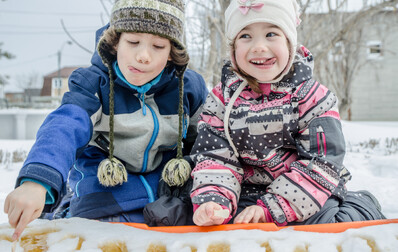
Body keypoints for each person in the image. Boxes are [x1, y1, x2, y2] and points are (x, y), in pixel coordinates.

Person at [4, 0, 208, 240]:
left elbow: (209, 141)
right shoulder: (93, 85)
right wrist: (37, 181)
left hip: (168, 197)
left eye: (158, 46)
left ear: (172, 52)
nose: (143, 56)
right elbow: (64, 127)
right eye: (133, 42)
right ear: (115, 42)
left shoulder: (188, 88)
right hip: (105, 198)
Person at [190, 0, 385, 226]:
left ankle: (361, 206)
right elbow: (215, 157)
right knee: (216, 221)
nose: (258, 46)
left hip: (307, 193)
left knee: (330, 222)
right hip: (245, 192)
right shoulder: (222, 100)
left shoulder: (311, 97)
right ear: (233, 49)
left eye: (271, 34)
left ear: (290, 43)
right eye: (245, 36)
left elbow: (322, 161)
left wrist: (272, 208)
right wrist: (215, 201)